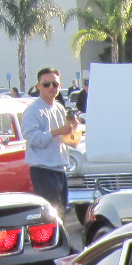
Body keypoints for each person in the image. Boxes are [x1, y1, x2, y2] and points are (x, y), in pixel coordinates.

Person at [21, 67, 80, 215]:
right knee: (51, 216)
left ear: (60, 86)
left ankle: (60, 239)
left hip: (60, 169)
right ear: (38, 86)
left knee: (61, 214)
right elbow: (34, 139)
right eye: (46, 84)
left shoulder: (59, 108)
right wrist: (57, 131)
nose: (51, 87)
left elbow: (68, 141)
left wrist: (73, 130)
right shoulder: (33, 110)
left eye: (55, 84)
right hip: (43, 171)